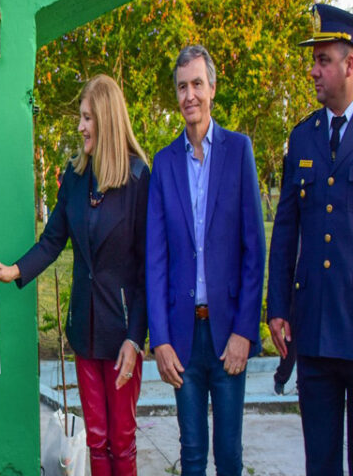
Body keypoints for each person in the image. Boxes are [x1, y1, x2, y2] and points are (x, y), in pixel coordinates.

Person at [267, 3, 353, 476]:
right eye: (314, 60)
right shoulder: (302, 138)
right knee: (320, 463)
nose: (313, 71)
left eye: (323, 60)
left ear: (351, 64)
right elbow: (285, 231)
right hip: (316, 329)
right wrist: (278, 308)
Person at [0, 75, 149, 476]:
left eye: (87, 117)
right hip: (84, 331)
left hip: (122, 332)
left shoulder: (137, 178)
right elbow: (52, 240)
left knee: (122, 440)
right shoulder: (75, 177)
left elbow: (150, 267)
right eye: (81, 117)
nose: (80, 127)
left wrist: (136, 336)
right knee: (95, 437)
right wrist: (14, 270)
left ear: (107, 119)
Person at [146, 45, 265, 476]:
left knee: (229, 456)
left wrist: (245, 332)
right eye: (182, 87)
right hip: (181, 338)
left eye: (197, 84)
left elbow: (255, 250)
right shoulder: (163, 164)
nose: (189, 95)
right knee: (192, 454)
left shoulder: (239, 151)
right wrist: (159, 339)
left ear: (212, 88)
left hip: (227, 332)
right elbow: (155, 259)